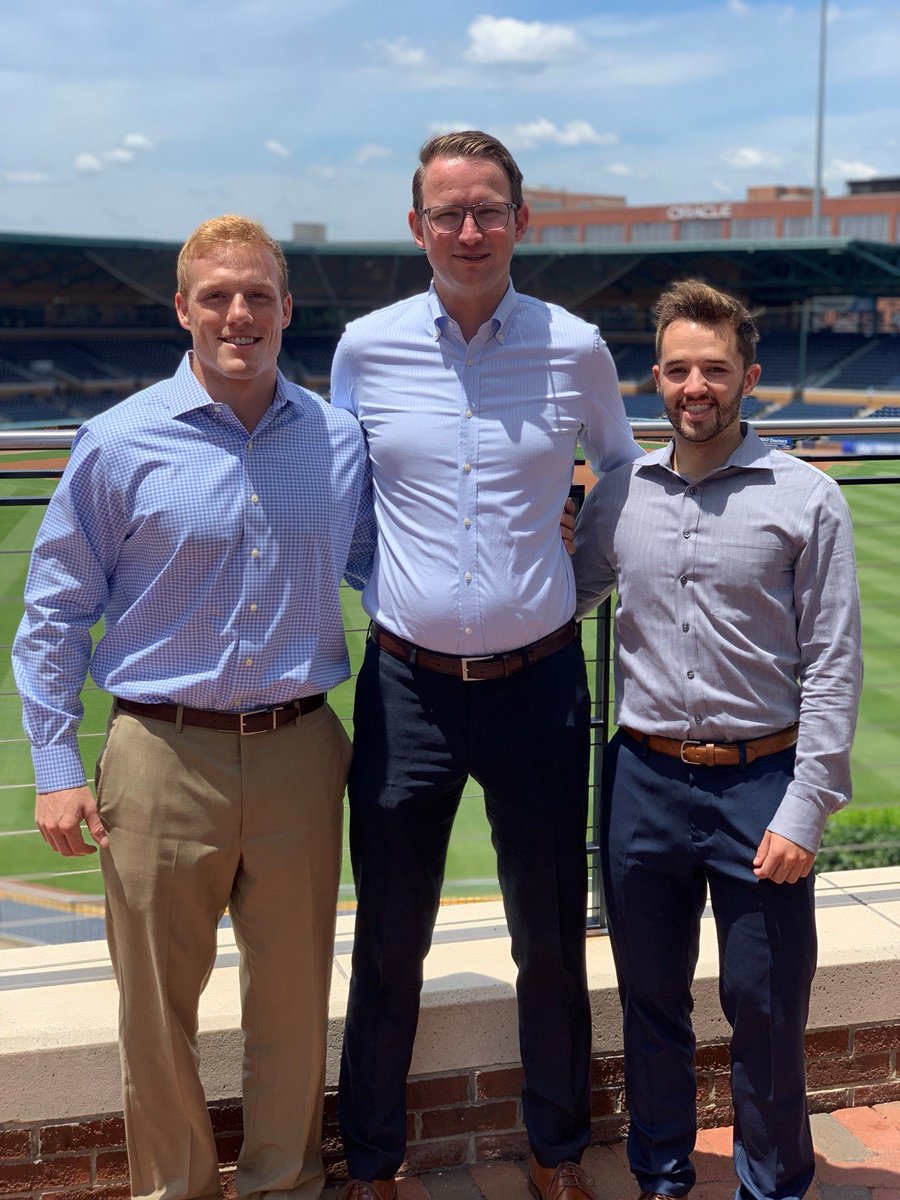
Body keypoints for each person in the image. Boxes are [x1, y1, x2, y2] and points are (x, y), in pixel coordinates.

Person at [12, 215, 375, 1200]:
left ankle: (284, 1184)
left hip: (302, 746)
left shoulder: (339, 441)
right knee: (156, 1012)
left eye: (257, 295)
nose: (238, 314)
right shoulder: (118, 440)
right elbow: (55, 612)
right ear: (183, 308)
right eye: (216, 295)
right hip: (161, 754)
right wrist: (55, 765)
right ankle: (174, 1190)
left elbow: (384, 567)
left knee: (294, 1000)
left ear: (286, 309)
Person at [330, 130, 642, 1200]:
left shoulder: (575, 346)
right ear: (417, 226)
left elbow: (621, 472)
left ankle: (558, 1151)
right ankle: (374, 1163)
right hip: (406, 689)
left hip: (541, 685)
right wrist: (384, 584)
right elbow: (346, 493)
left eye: (490, 210)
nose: (470, 231)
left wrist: (577, 584)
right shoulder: (367, 348)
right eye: (449, 213)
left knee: (550, 939)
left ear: (521, 220)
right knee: (388, 942)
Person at [573, 280, 862, 1200]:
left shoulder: (807, 498)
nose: (695, 385)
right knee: (650, 1002)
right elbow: (562, 597)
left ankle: (772, 1185)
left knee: (767, 1009)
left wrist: (808, 808)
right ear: (654, 378)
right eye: (678, 369)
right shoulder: (621, 495)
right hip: (643, 780)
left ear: (749, 377)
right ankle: (661, 1176)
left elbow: (834, 662)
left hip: (760, 783)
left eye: (715, 369)